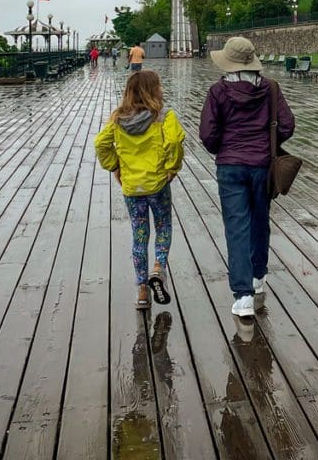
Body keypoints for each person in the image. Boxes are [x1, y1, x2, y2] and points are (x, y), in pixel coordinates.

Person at [200, 36, 294, 318]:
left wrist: (223, 149)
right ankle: (258, 276)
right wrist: (268, 145)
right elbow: (287, 125)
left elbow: (208, 133)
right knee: (259, 220)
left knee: (236, 226)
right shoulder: (270, 89)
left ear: (228, 62)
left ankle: (242, 297)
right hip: (262, 165)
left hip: (230, 166)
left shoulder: (218, 91)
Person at [95, 70, 186, 310]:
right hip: (157, 183)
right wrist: (171, 167)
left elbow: (100, 143)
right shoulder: (163, 116)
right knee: (163, 225)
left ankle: (142, 292)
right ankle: (158, 267)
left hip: (131, 187)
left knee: (139, 233)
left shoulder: (117, 118)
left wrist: (115, 165)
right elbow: (175, 141)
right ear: (153, 90)